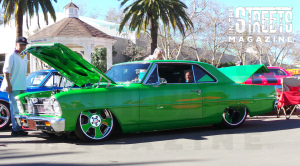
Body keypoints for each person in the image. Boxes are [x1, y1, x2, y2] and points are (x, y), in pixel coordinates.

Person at [1, 36, 29, 136]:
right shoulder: (11, 55)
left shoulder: (25, 55)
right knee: (15, 108)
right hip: (13, 86)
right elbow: (6, 71)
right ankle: (15, 130)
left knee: (21, 109)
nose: (23, 47)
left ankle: (19, 127)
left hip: (22, 86)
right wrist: (8, 84)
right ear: (16, 45)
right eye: (21, 45)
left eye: (24, 45)